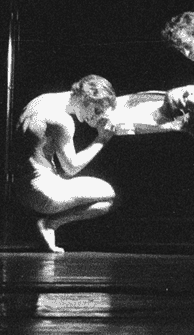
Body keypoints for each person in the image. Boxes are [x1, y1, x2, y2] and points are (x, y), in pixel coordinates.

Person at [12, 75, 121, 254]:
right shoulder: (63, 120)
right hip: (43, 194)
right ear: (87, 97)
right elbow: (71, 168)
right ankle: (49, 224)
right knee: (111, 196)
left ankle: (42, 220)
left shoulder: (42, 99)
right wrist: (102, 139)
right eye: (96, 110)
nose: (92, 117)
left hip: (20, 187)